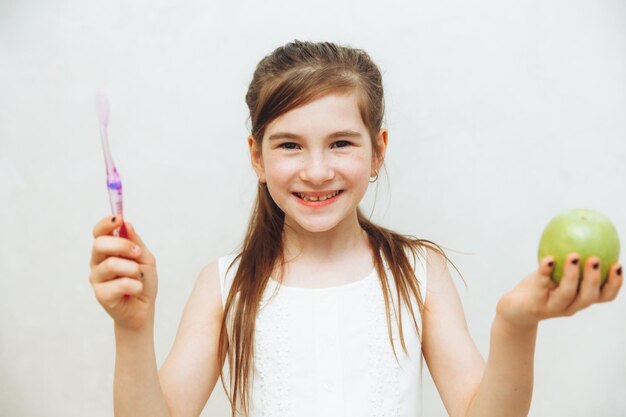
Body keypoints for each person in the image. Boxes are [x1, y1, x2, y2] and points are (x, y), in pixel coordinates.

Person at [88, 40, 623, 417]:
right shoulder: (224, 283)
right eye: (290, 144)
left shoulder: (418, 272)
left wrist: (514, 325)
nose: (317, 170)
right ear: (256, 156)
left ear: (377, 151)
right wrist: (132, 330)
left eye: (341, 143)